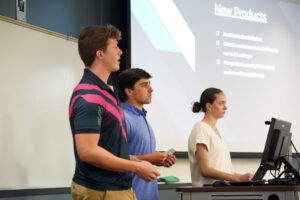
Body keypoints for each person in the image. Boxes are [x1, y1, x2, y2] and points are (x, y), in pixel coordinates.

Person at [68, 25, 160, 200]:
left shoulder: (106, 93)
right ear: (100, 54)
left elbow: (110, 150)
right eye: (115, 47)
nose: (120, 52)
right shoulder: (89, 95)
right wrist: (137, 168)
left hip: (117, 189)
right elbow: (88, 151)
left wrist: (139, 162)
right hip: (101, 191)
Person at [117, 68, 176, 200]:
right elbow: (113, 157)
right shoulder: (122, 118)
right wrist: (150, 158)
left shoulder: (141, 117)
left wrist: (159, 160)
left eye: (150, 84)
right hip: (130, 195)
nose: (151, 89)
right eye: (144, 85)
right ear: (129, 91)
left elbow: (138, 155)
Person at [188, 87, 253, 186]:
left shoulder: (219, 134)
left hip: (222, 191)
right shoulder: (201, 128)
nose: (225, 107)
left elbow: (227, 173)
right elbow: (205, 170)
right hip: (207, 193)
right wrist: (238, 178)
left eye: (225, 103)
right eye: (221, 103)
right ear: (209, 106)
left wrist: (244, 177)